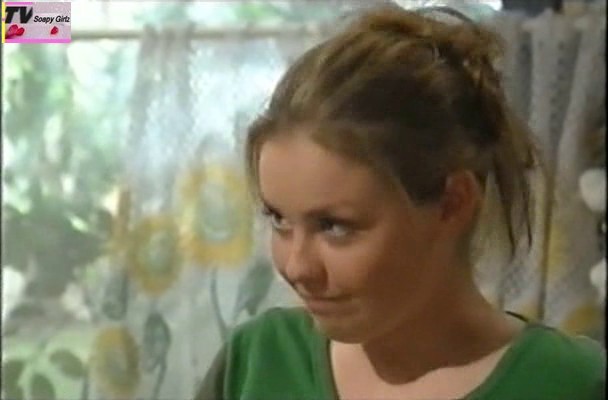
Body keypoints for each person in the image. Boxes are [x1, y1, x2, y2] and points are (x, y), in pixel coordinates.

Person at [196, 4, 605, 400]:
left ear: (453, 203)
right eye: (279, 220)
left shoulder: (572, 384)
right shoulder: (256, 360)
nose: (297, 267)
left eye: (334, 227)